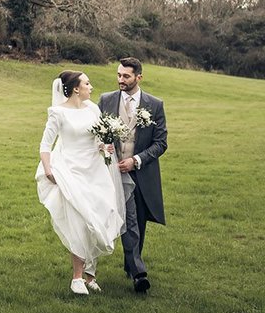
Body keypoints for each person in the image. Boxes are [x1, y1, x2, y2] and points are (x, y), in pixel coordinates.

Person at [36, 70, 127, 295]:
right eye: (87, 83)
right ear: (76, 88)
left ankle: (91, 276)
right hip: (71, 170)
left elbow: (97, 140)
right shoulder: (58, 113)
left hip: (95, 170)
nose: (91, 87)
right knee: (80, 220)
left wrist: (104, 147)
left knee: (99, 216)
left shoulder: (93, 109)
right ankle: (77, 278)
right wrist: (48, 170)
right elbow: (45, 145)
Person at [97, 57, 168, 293]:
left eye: (126, 76)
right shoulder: (106, 100)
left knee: (136, 221)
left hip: (138, 173)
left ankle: (134, 268)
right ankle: (131, 271)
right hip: (109, 172)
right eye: (118, 75)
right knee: (111, 219)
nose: (120, 80)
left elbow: (161, 144)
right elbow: (96, 133)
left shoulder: (155, 105)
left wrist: (136, 160)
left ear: (139, 77)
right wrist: (103, 147)